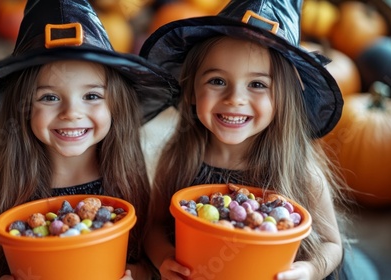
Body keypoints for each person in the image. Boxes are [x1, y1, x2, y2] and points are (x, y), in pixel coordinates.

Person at [139, 0, 377, 279]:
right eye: (217, 81)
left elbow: (331, 244)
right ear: (191, 90)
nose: (235, 99)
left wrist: (310, 269)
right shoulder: (180, 157)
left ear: (283, 100)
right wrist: (165, 257)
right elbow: (154, 227)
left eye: (257, 84)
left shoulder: (299, 170)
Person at [0, 0, 179, 279]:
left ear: (115, 105)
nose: (71, 113)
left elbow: (147, 265)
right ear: (23, 107)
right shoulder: (14, 185)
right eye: (49, 97)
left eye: (92, 96)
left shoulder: (125, 179)